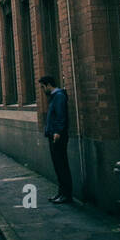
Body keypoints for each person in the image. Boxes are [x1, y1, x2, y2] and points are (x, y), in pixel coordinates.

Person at [41, 75, 72, 203]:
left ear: (48, 85)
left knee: (62, 165)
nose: (43, 90)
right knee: (58, 166)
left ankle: (66, 194)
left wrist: (58, 132)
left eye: (43, 87)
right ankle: (61, 193)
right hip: (53, 135)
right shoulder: (54, 97)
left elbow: (61, 115)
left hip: (57, 136)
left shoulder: (59, 96)